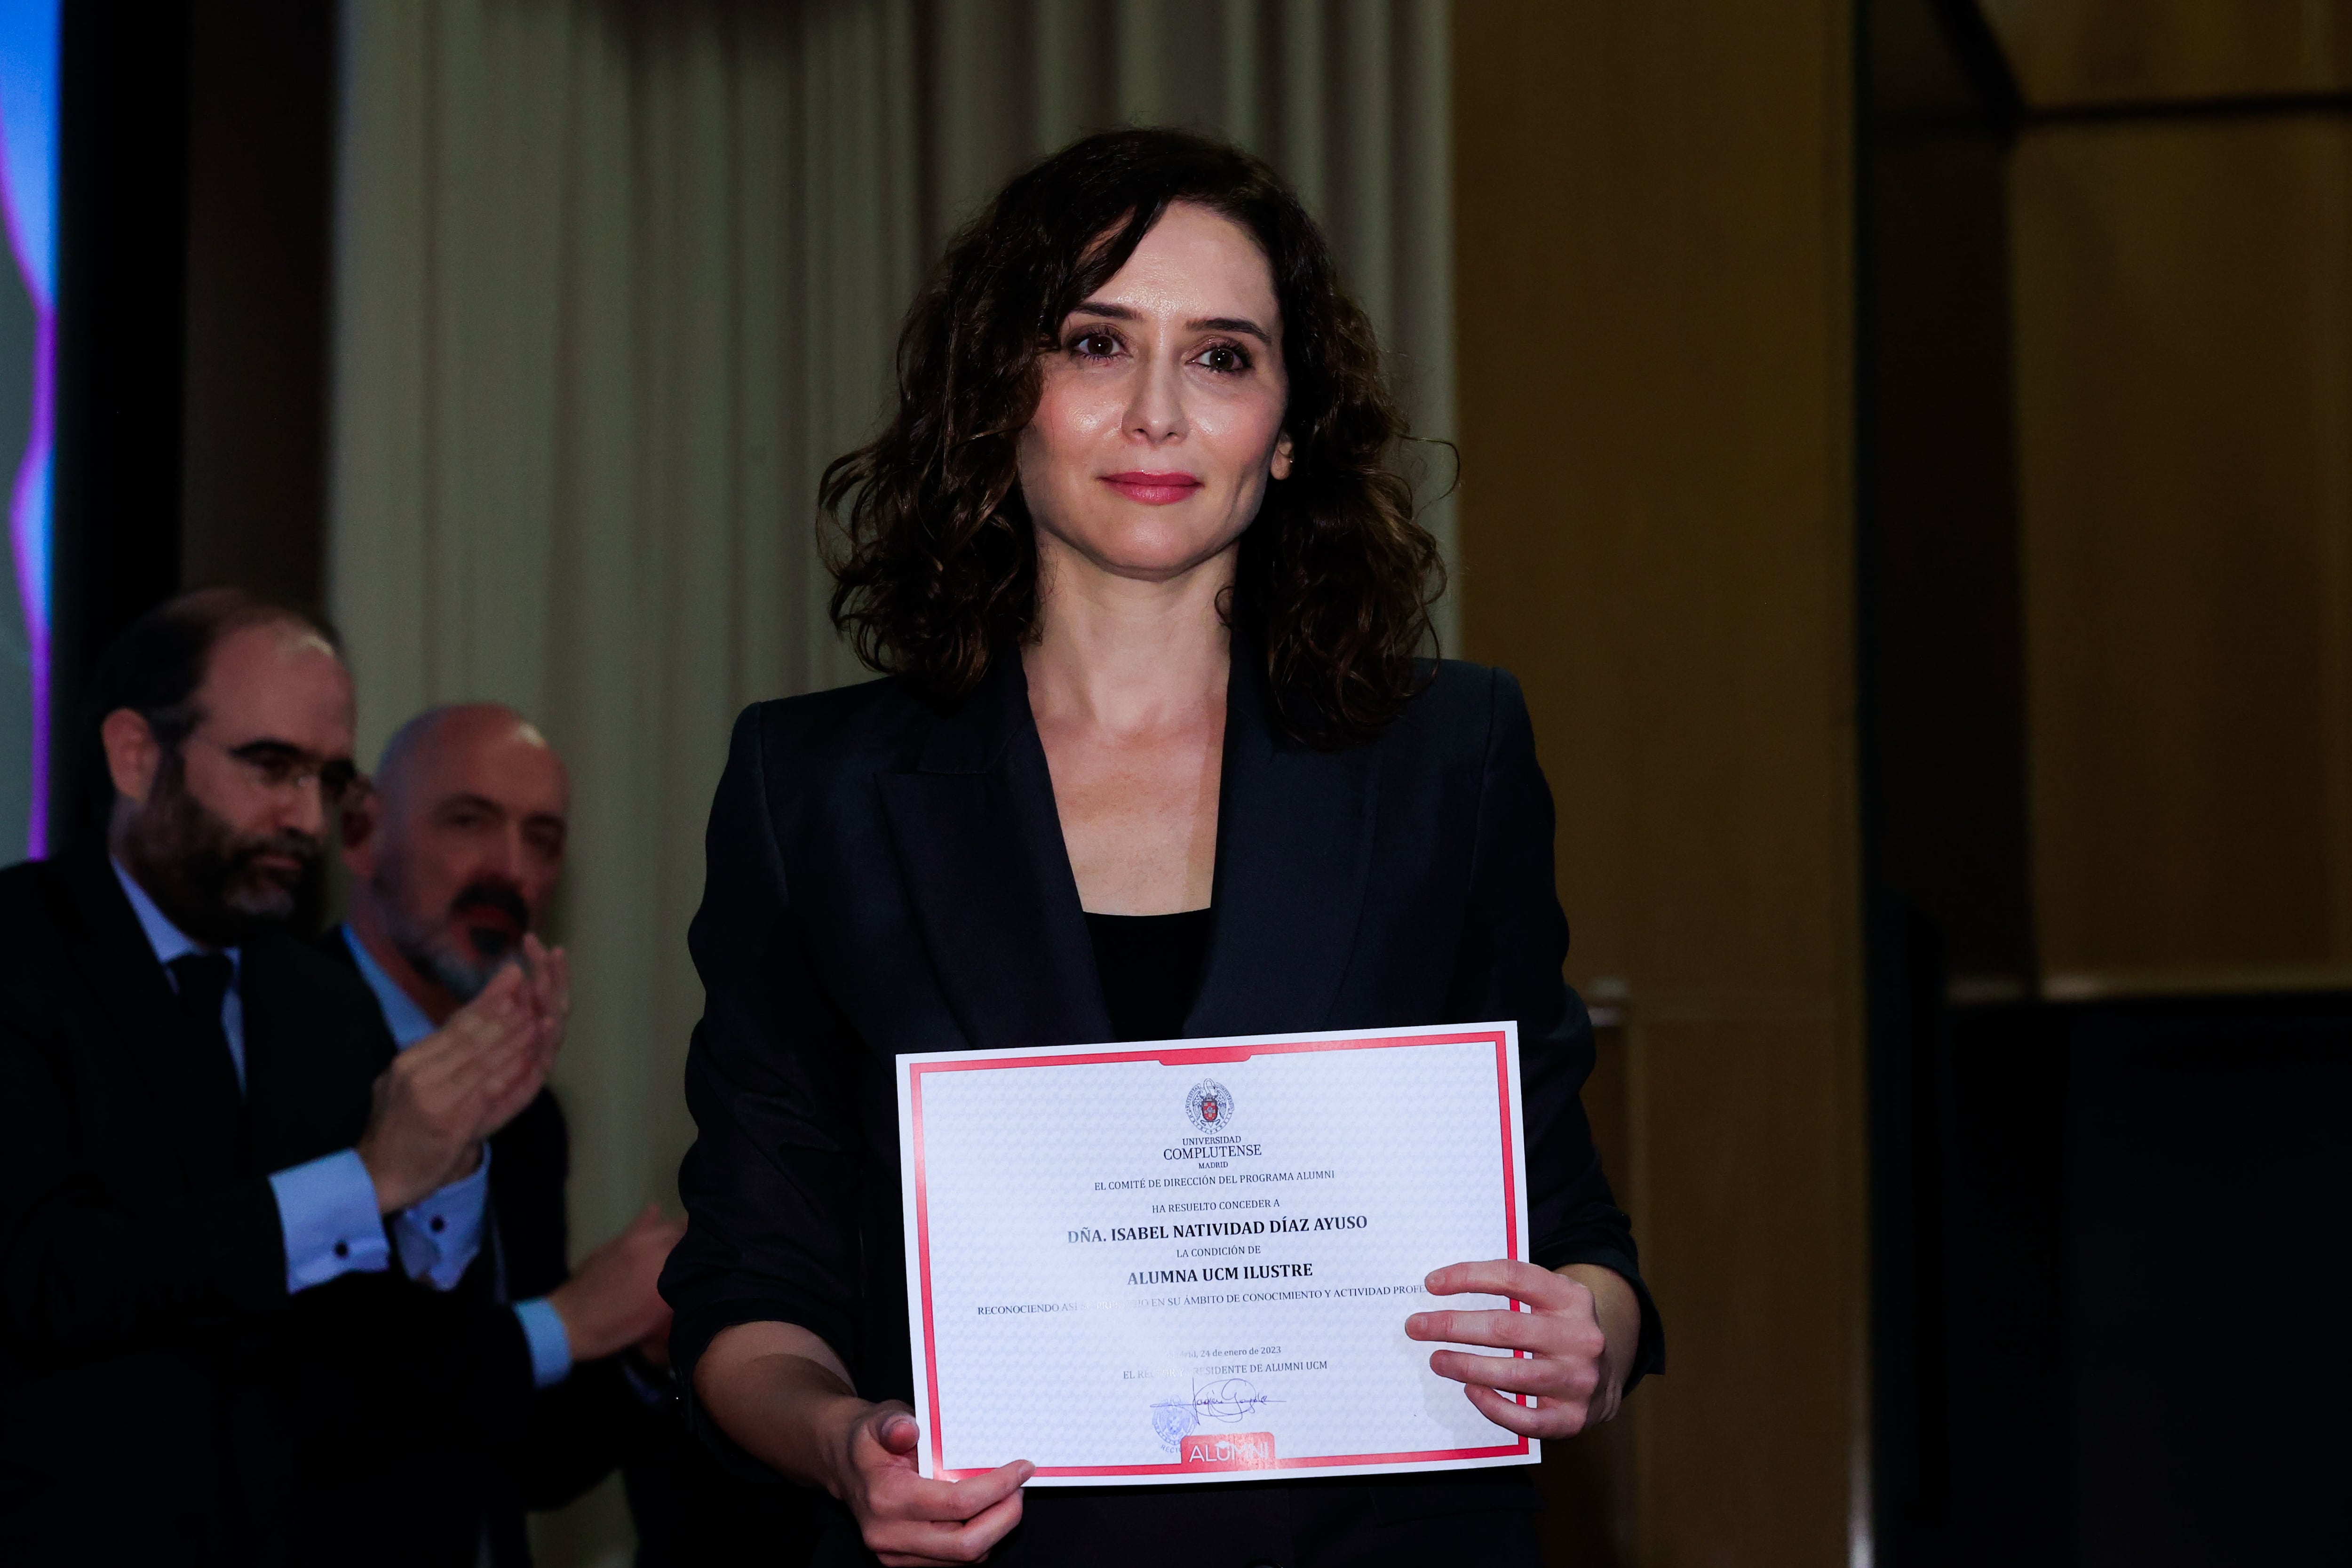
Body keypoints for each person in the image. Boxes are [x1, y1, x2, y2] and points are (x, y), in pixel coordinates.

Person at [661, 127, 1664, 1568]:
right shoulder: (809, 785)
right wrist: (842, 1441)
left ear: (1293, 421)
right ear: (1001, 390)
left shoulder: (1453, 754)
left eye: (1222, 356)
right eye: (1093, 341)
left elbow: (1577, 1228)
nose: (1155, 413)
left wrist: (1587, 1335)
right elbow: (750, 1278)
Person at [0, 590, 566, 1566]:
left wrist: (454, 1153)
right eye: (270, 766)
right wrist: (370, 1178)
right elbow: (48, 1278)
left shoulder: (317, 1001)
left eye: (328, 778)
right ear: (138, 755)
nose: (303, 817)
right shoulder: (20, 950)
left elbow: (393, 1367)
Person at [337, 702, 818, 1567]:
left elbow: (524, 1457)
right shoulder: (270, 1039)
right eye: (469, 822)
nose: (510, 871)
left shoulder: (529, 1111)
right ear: (364, 835)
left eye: (544, 839)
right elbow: (329, 1404)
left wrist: (637, 1348)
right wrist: (567, 1320)